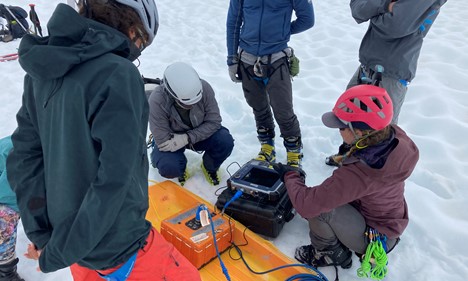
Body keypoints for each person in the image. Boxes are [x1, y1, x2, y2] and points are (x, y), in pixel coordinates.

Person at [6, 1, 201, 280]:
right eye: (141, 42)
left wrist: (46, 237)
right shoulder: (118, 74)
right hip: (120, 246)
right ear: (133, 30)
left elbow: (24, 157)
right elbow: (114, 179)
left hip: (69, 243)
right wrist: (60, 250)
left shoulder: (42, 68)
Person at [273, 85, 419, 270]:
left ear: (358, 132)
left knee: (320, 210)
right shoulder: (394, 136)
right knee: (327, 195)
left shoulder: (362, 172)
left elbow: (306, 205)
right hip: (389, 220)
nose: (338, 130)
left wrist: (291, 175)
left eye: (342, 127)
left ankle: (328, 253)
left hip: (375, 236)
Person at [326, 0, 445, 167]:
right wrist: (385, 6)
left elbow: (395, 26)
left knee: (382, 128)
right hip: (369, 61)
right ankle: (350, 158)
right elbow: (357, 9)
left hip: (393, 69)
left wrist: (373, 12)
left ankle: (371, 172)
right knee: (349, 113)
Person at [226, 0, 314, 168]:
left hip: (276, 59)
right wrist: (232, 58)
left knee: (283, 109)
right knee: (258, 106)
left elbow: (307, 19)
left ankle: (294, 152)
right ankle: (267, 147)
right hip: (246, 59)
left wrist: (282, 32)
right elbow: (233, 22)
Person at [148, 62, 234, 186]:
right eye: (186, 103)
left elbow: (214, 121)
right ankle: (179, 168)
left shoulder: (204, 88)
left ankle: (209, 167)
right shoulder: (157, 101)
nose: (192, 105)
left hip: (199, 134)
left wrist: (187, 138)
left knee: (225, 141)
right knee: (169, 167)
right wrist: (178, 141)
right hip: (171, 140)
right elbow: (162, 139)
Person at [0, 136, 24, 281]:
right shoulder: (22, 159)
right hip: (5, 193)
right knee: (4, 222)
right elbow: (8, 196)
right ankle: (5, 272)